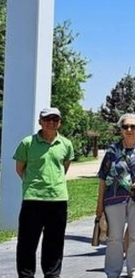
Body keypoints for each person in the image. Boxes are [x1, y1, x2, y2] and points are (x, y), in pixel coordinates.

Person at [13, 107, 74, 278]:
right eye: (47, 119)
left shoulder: (66, 144)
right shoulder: (27, 143)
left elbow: (64, 168)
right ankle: (26, 275)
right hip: (33, 198)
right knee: (27, 242)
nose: (51, 123)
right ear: (40, 122)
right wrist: (34, 184)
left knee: (54, 242)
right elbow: (20, 169)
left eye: (55, 119)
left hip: (58, 199)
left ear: (60, 123)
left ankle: (52, 274)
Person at [96, 113, 135, 278]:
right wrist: (99, 205)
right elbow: (102, 177)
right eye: (125, 127)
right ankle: (112, 271)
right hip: (114, 197)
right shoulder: (112, 150)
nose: (129, 130)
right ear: (121, 130)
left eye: (133, 127)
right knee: (114, 237)